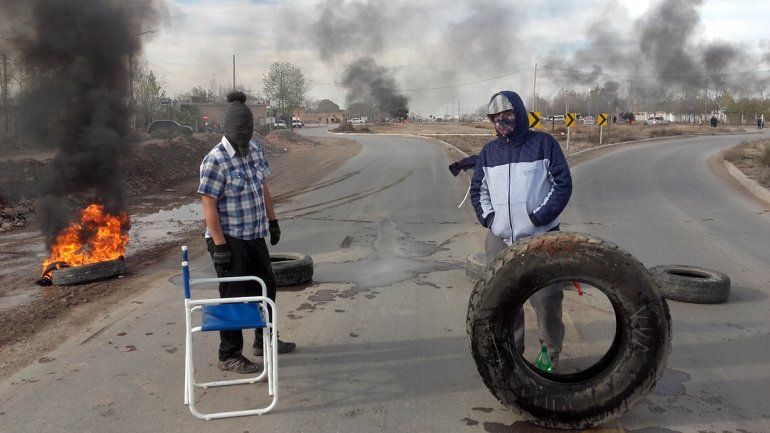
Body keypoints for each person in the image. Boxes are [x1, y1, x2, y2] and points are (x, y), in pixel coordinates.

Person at [470, 90, 573, 369]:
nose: (502, 122)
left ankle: (549, 354)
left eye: (508, 116)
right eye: (496, 118)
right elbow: (478, 189)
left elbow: (563, 184)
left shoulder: (544, 144)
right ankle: (511, 355)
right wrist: (491, 220)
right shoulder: (489, 153)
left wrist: (539, 218)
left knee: (547, 299)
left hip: (541, 236)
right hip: (500, 239)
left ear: (520, 114)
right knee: (504, 299)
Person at [198, 90, 296, 374]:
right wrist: (219, 246)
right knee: (233, 295)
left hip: (254, 234)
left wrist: (273, 221)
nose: (246, 133)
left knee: (265, 289)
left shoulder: (255, 150)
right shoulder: (215, 160)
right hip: (230, 239)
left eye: (250, 128)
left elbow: (262, 187)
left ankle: (265, 340)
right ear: (228, 127)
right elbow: (209, 204)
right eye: (240, 128)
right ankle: (228, 354)